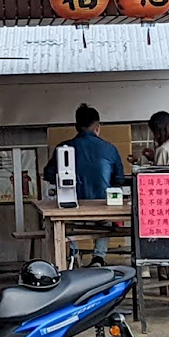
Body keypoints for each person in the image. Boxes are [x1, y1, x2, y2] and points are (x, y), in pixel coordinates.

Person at [44, 103, 128, 266]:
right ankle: (99, 257)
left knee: (66, 226)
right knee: (106, 223)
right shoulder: (109, 148)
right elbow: (119, 178)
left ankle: (72, 257)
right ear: (97, 126)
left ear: (76, 126)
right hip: (103, 207)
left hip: (72, 207)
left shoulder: (63, 148)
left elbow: (48, 174)